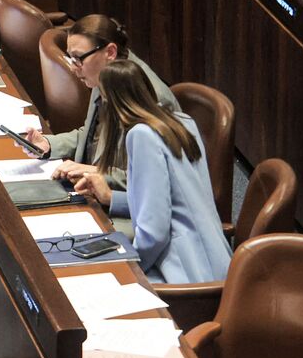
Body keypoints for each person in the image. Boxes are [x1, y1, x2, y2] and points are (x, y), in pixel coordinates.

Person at [72, 60, 231, 284]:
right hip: (216, 262)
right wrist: (111, 197)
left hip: (180, 273)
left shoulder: (141, 135)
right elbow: (175, 202)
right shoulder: (182, 122)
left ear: (111, 100)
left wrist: (133, 270)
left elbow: (154, 231)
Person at [20, 14, 181, 192]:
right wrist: (49, 145)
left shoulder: (151, 99)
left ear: (110, 52)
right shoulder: (103, 73)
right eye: (71, 59)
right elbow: (92, 136)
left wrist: (96, 172)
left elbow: (154, 181)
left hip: (123, 205)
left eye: (79, 58)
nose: (74, 68)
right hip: (88, 188)